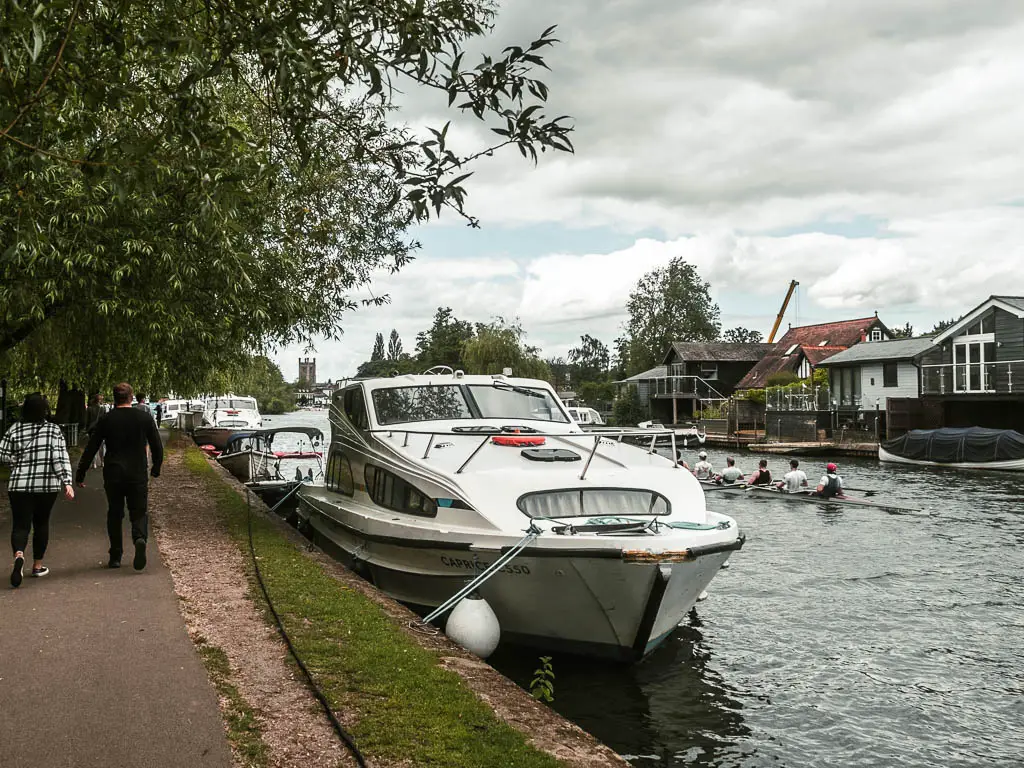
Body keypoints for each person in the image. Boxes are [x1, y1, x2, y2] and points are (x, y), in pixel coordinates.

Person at [77, 382, 163, 570]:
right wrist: (156, 468)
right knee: (138, 511)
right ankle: (139, 538)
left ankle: (116, 555)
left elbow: (92, 447)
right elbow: (157, 445)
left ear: (114, 398)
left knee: (115, 513)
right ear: (131, 397)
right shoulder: (144, 418)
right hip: (137, 472)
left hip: (114, 472)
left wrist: (81, 473)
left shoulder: (106, 419)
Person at [0, 393, 75, 586]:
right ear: (45, 410)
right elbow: (60, 458)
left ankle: (18, 555)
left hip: (19, 486)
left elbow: (3, 454)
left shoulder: (15, 429)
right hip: (46, 486)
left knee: (20, 525)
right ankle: (37, 566)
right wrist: (66, 481)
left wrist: (16, 462)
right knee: (41, 523)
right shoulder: (53, 430)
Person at [85, 394, 107, 469]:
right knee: (102, 447)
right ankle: (102, 462)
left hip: (92, 429)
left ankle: (94, 464)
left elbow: (87, 421)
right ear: (100, 400)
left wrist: (86, 430)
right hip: (101, 429)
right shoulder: (103, 408)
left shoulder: (89, 409)